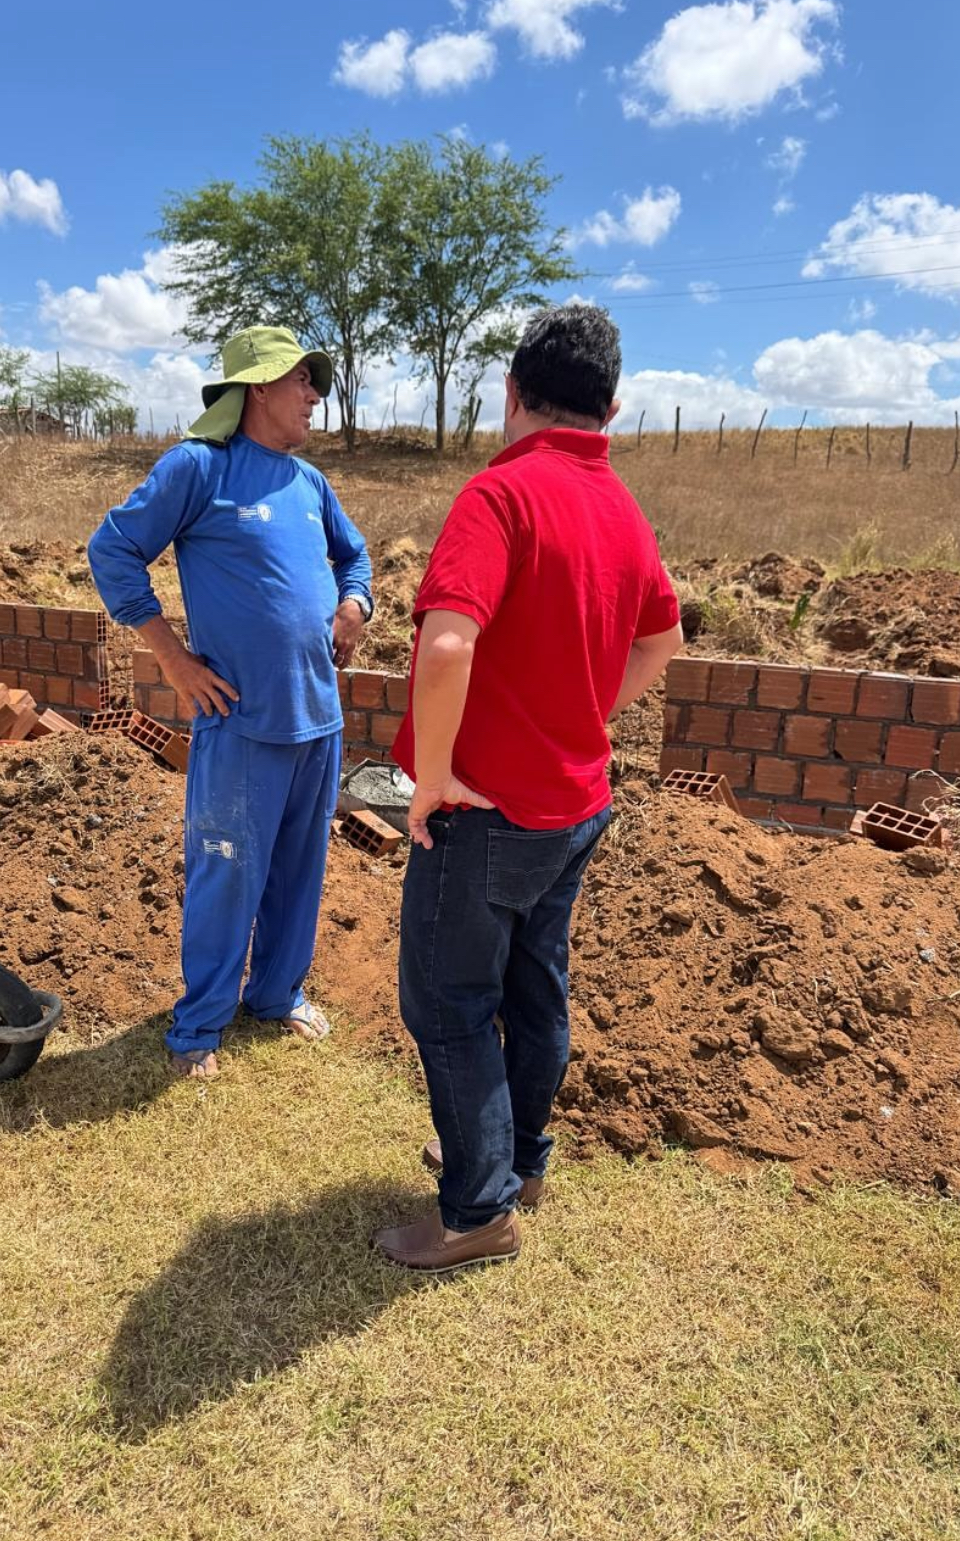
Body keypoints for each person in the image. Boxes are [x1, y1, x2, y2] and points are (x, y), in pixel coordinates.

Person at [374, 304, 682, 1273]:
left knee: (449, 1004)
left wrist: (430, 776)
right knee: (535, 987)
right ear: (613, 408)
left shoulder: (500, 496)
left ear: (512, 395)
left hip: (487, 809)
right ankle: (519, 1161)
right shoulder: (624, 513)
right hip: (574, 805)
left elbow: (447, 638)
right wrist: (589, 710)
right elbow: (662, 639)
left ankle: (477, 1209)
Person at [87, 325, 373, 1080]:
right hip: (240, 721)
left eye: (316, 381)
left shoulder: (310, 484)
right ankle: (198, 1026)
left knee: (299, 869)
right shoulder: (198, 468)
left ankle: (276, 994)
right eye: (302, 381)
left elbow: (356, 556)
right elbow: (111, 548)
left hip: (318, 719)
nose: (315, 395)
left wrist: (356, 605)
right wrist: (173, 658)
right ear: (257, 388)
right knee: (226, 870)